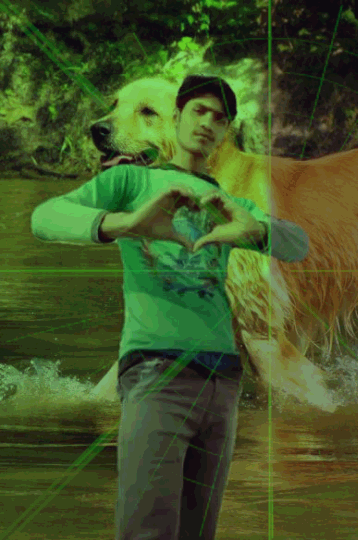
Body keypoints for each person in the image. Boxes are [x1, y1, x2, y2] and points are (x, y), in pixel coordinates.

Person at [30, 74, 309, 540]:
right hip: (157, 375)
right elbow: (44, 218)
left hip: (222, 385)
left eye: (218, 118)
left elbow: (298, 244)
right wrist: (127, 224)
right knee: (147, 531)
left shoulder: (229, 202)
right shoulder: (129, 180)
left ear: (226, 133)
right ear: (177, 117)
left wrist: (258, 231)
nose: (206, 124)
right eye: (198, 111)